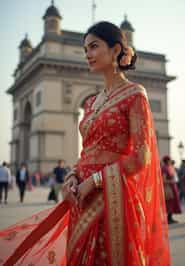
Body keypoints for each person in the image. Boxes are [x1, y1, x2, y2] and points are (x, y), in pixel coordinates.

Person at [0, 21, 170, 265]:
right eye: (85, 50)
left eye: (93, 47)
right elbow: (88, 152)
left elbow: (141, 158)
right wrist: (72, 176)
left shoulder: (135, 94)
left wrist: (96, 180)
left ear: (116, 50)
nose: (87, 54)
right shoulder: (91, 103)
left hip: (114, 201)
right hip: (82, 199)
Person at [161, 156, 182, 224]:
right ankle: (168, 218)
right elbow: (163, 180)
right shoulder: (164, 168)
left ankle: (170, 217)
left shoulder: (170, 167)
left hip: (173, 187)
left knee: (173, 202)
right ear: (167, 161)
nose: (170, 161)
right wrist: (171, 181)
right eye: (169, 160)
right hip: (169, 188)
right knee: (169, 203)